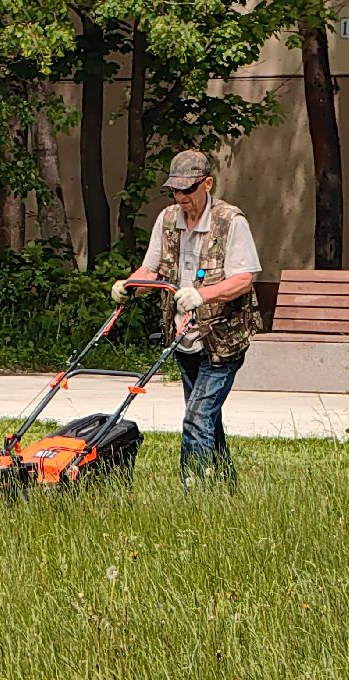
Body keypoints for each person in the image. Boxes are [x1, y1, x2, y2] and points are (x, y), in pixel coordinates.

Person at [111, 150, 263, 485]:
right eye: (176, 191)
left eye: (189, 190)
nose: (182, 198)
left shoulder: (231, 221)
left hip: (222, 339)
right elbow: (151, 269)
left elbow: (244, 279)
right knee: (207, 418)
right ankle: (226, 485)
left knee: (196, 418)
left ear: (207, 183)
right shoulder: (167, 220)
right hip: (183, 338)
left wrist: (203, 294)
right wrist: (130, 286)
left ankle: (193, 493)